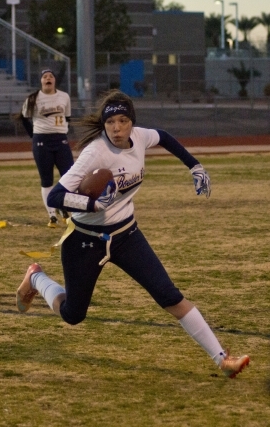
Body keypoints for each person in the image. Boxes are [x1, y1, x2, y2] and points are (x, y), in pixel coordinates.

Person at [15, 89, 250, 378]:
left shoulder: (139, 137)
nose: (117, 128)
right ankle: (36, 277)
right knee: (73, 315)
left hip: (126, 235)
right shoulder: (95, 152)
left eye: (123, 121)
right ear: (104, 125)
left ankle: (223, 360)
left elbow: (163, 135)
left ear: (131, 123)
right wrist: (92, 203)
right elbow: (55, 197)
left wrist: (194, 166)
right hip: (85, 240)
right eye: (111, 122)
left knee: (169, 296)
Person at [17, 68, 74, 228]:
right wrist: (34, 136)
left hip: (61, 139)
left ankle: (64, 206)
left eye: (51, 76)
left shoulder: (64, 97)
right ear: (41, 81)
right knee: (46, 179)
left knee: (69, 176)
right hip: (42, 141)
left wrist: (62, 131)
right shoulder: (33, 98)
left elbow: (67, 117)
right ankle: (52, 216)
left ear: (55, 80)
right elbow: (24, 118)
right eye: (44, 76)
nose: (48, 78)